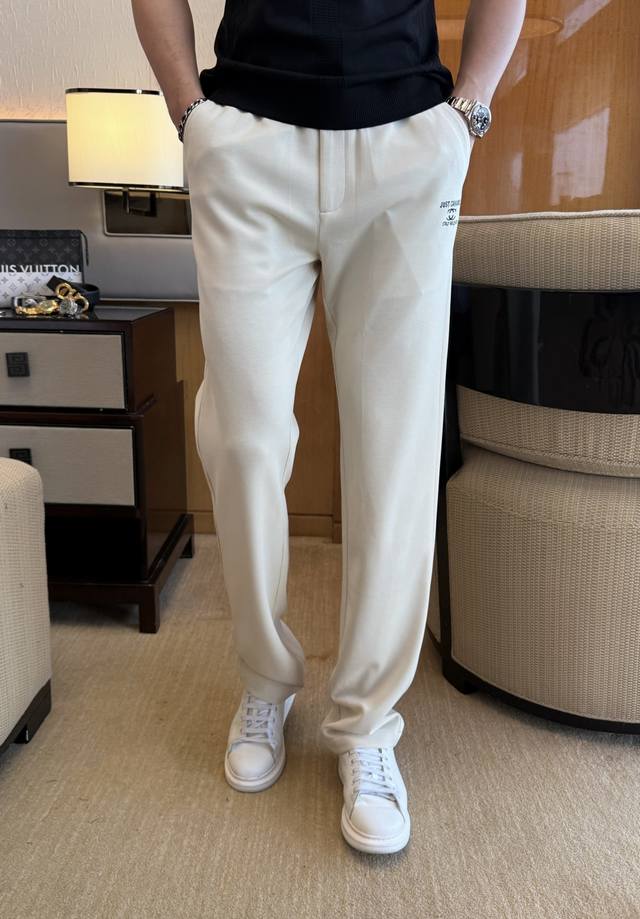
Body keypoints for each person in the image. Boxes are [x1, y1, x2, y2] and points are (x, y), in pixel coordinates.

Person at [131, 0, 526, 855]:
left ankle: (366, 723)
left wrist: (465, 117)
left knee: (395, 453)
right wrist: (190, 114)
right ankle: (265, 678)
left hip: (406, 142)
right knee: (242, 437)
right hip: (248, 140)